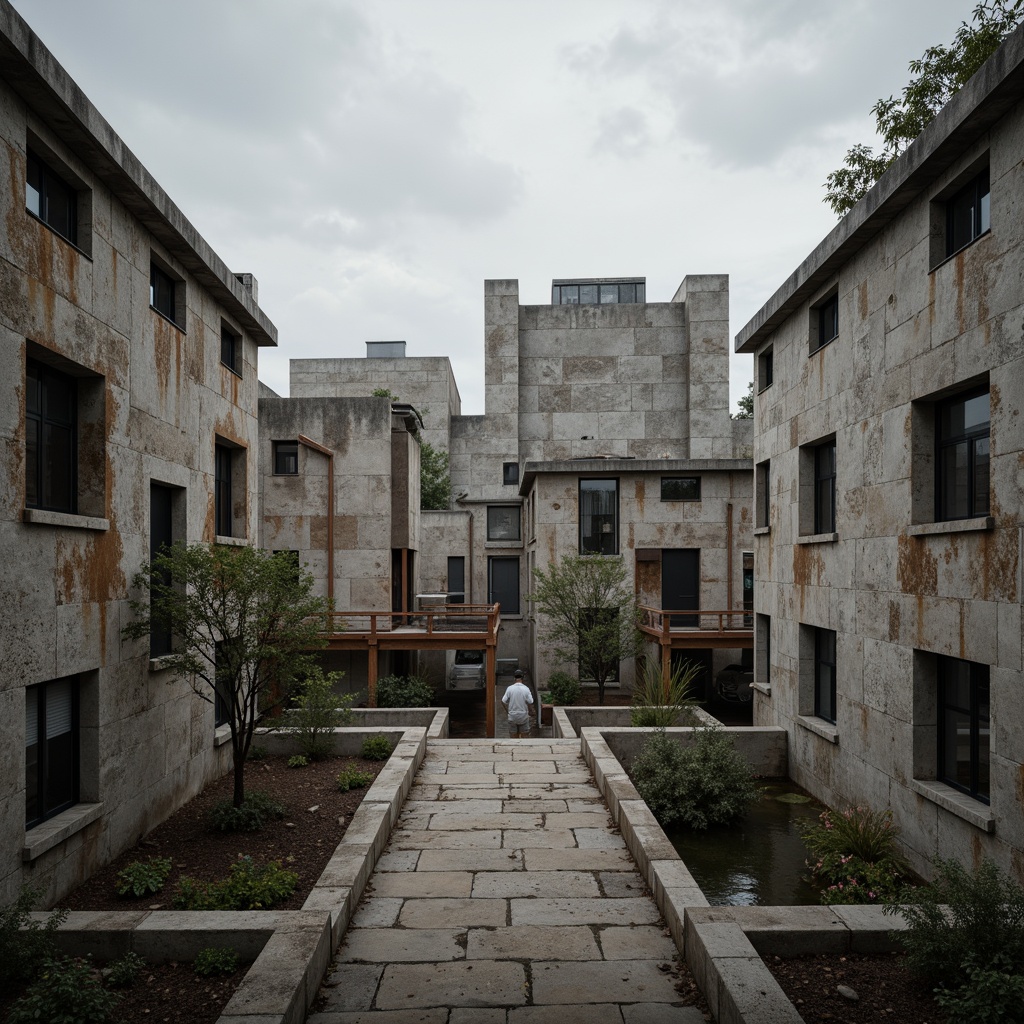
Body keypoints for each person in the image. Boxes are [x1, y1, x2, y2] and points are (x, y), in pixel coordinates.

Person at [502, 670, 534, 739]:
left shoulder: (510, 689)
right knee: (525, 737)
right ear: (523, 678)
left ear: (514, 678)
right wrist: (530, 711)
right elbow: (530, 701)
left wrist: (508, 711)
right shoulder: (526, 689)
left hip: (512, 716)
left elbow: (503, 701)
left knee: (513, 738)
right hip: (523, 716)